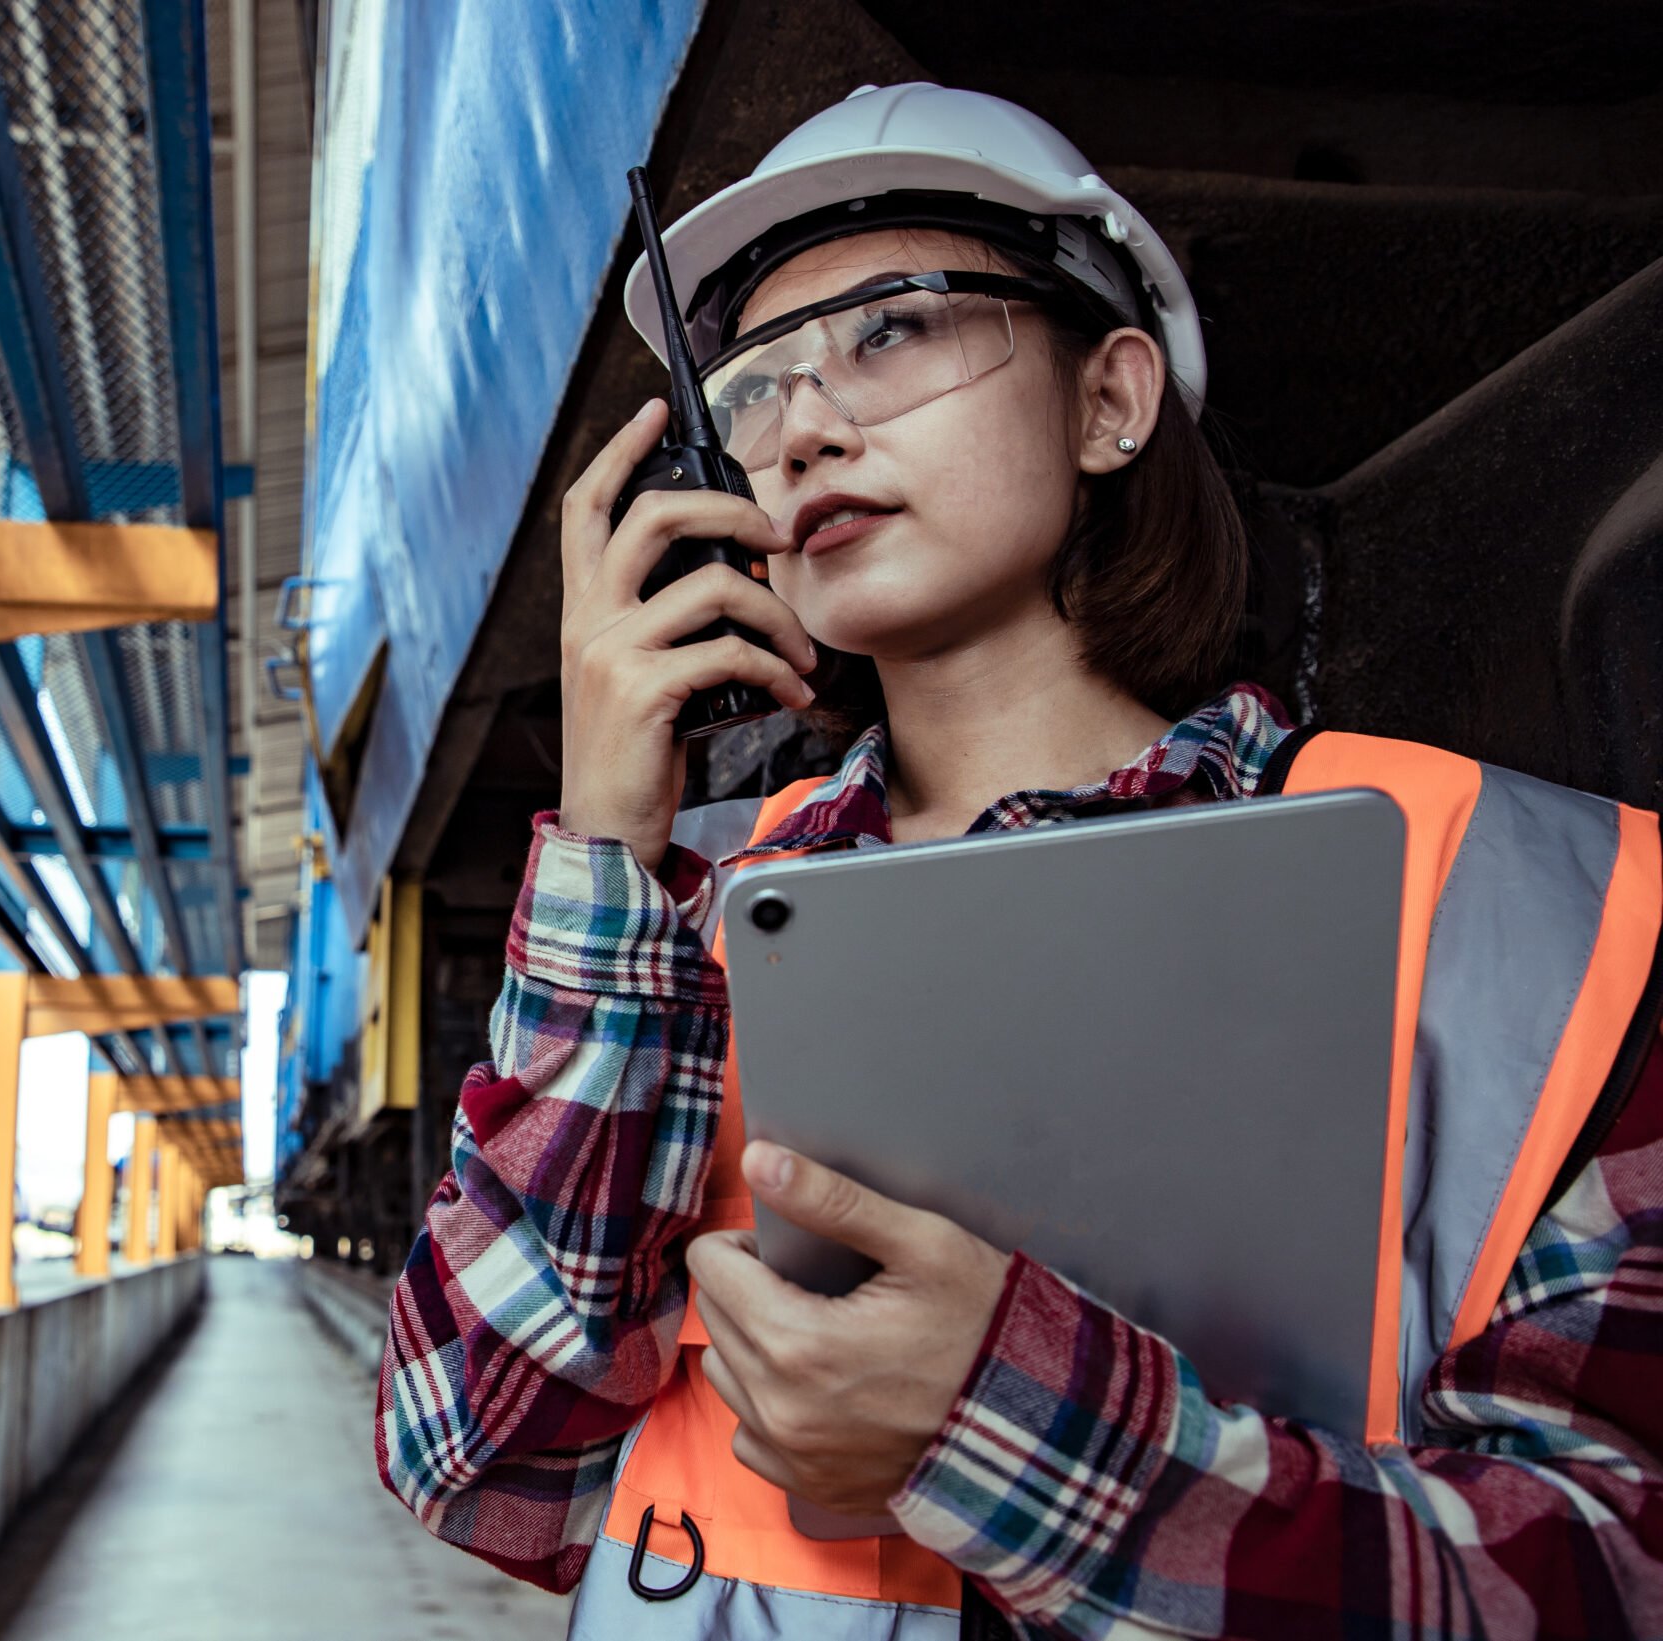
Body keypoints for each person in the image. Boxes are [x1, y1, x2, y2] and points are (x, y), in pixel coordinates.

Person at [375, 82, 1663, 1639]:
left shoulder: (1508, 894)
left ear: (1112, 399)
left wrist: (992, 1419)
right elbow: (474, 1461)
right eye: (757, 383)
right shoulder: (673, 923)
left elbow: (1613, 1573)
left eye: (895, 327)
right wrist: (605, 855)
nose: (807, 427)